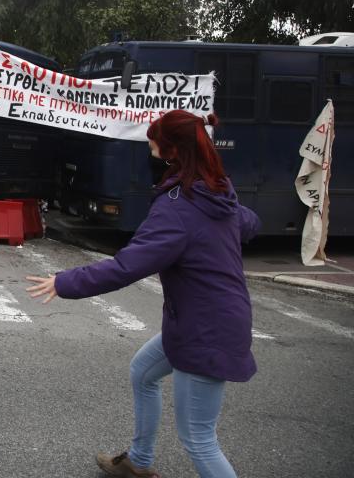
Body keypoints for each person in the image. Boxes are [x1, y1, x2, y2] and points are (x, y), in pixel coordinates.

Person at [27, 110, 260, 478]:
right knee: (143, 372)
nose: (147, 142)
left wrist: (65, 282)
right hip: (199, 321)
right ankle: (139, 460)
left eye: (153, 137)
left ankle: (141, 459)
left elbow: (127, 266)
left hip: (206, 331)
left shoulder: (180, 206)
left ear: (170, 149)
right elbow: (250, 223)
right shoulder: (216, 191)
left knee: (199, 438)